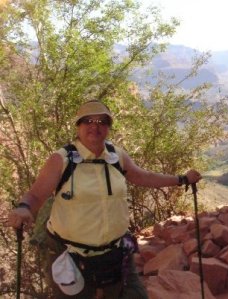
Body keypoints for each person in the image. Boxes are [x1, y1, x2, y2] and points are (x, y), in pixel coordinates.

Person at [7, 100, 202, 299]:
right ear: (78, 126)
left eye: (102, 121)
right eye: (88, 120)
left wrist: (181, 179)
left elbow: (143, 177)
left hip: (116, 254)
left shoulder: (117, 156)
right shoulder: (62, 159)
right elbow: (36, 195)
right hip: (71, 257)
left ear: (108, 127)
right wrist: (24, 208)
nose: (95, 126)